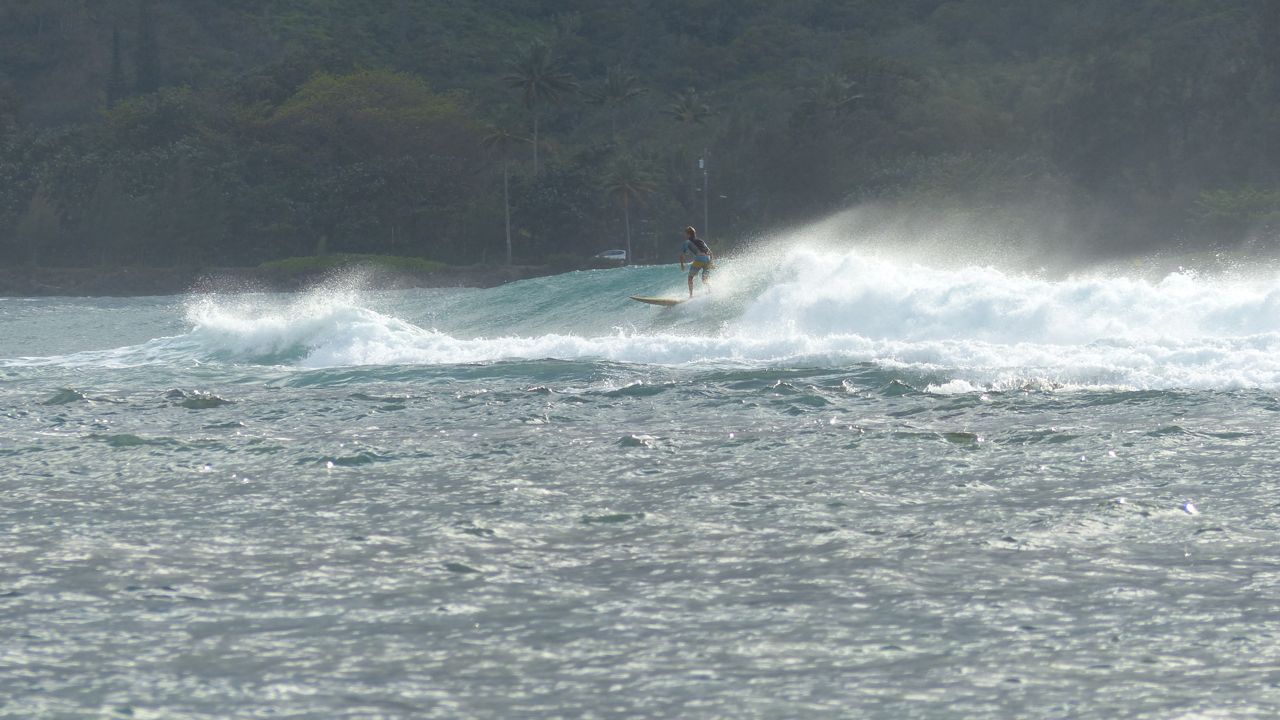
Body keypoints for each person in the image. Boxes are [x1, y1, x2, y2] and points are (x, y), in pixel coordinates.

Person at [679, 226, 713, 297]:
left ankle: (691, 296)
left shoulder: (687, 242)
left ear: (688, 234)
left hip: (700, 259)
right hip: (708, 259)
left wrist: (682, 265)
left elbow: (682, 255)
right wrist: (711, 263)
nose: (685, 235)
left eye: (685, 234)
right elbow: (711, 252)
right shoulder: (701, 241)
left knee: (690, 278)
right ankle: (711, 291)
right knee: (704, 280)